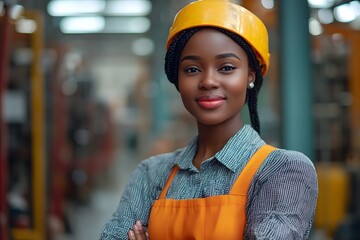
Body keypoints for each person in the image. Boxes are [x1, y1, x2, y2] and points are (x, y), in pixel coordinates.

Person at [100, 0, 318, 239]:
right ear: (177, 79)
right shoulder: (151, 174)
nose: (208, 81)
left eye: (226, 67)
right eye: (192, 69)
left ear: (250, 76)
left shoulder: (283, 171)